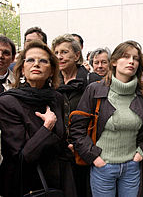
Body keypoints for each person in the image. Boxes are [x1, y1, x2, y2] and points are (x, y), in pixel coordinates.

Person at [70, 40, 143, 197]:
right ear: (114, 62)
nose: (131, 61)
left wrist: (140, 153)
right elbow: (77, 129)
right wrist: (94, 157)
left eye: (136, 58)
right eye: (125, 56)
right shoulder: (95, 90)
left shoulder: (142, 93)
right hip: (103, 166)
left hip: (132, 167)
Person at [0, 40, 77, 197]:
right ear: (22, 69)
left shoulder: (56, 98)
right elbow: (22, 156)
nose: (36, 64)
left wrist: (68, 148)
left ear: (51, 71)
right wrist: (47, 127)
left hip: (58, 179)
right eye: (30, 60)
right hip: (26, 184)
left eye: (43, 61)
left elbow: (60, 140)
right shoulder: (8, 102)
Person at [52, 34, 101, 197]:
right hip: (58, 154)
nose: (59, 56)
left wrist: (85, 146)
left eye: (64, 52)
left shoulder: (93, 81)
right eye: (56, 52)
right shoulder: (50, 82)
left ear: (77, 55)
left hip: (86, 153)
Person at [0, 35, 16, 167]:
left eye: (6, 53)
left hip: (11, 151)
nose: (1, 56)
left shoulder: (18, 85)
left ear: (13, 58)